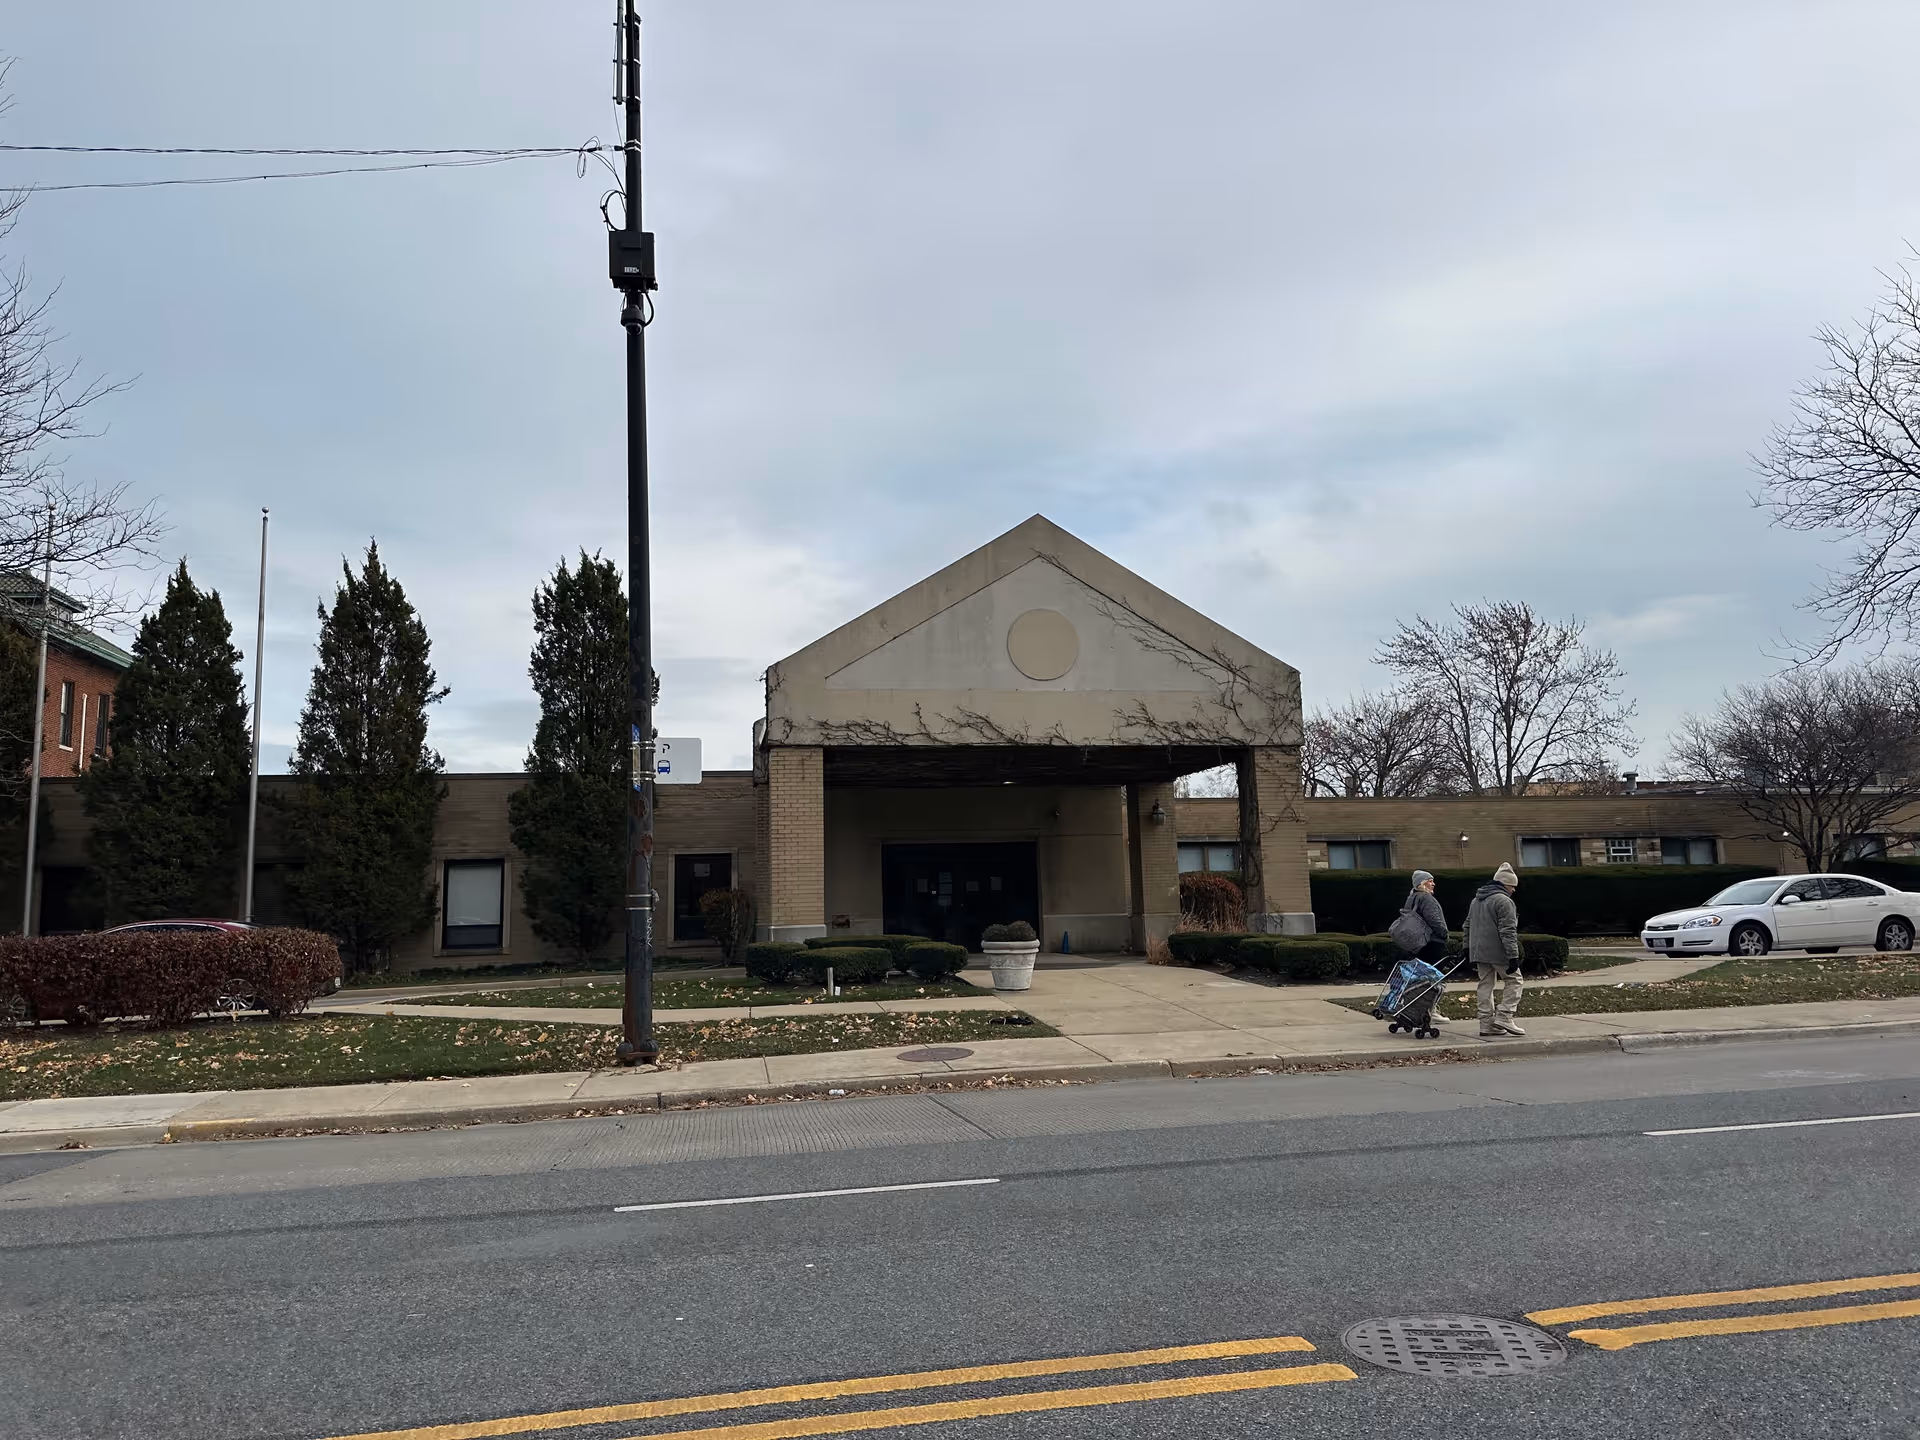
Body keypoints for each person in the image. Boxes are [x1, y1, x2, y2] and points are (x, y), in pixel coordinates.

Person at [1463, 862, 1525, 1036]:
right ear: (1505, 884)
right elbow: (1508, 931)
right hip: (1498, 951)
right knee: (1515, 980)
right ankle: (1505, 1015)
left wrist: (1466, 947)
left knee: (1485, 985)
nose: (1514, 890)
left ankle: (1486, 1024)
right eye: (1513, 886)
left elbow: (1467, 925)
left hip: (1478, 951)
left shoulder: (1476, 900)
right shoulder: (1504, 901)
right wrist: (1513, 955)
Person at [1400, 870, 1451, 1023]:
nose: (1433, 883)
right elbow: (1435, 921)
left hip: (1417, 944)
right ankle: (1431, 1010)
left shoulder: (1411, 899)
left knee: (1419, 979)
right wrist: (1444, 934)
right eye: (1430, 880)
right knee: (1434, 979)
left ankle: (1416, 1008)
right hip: (1432, 943)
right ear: (1421, 884)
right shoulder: (1427, 899)